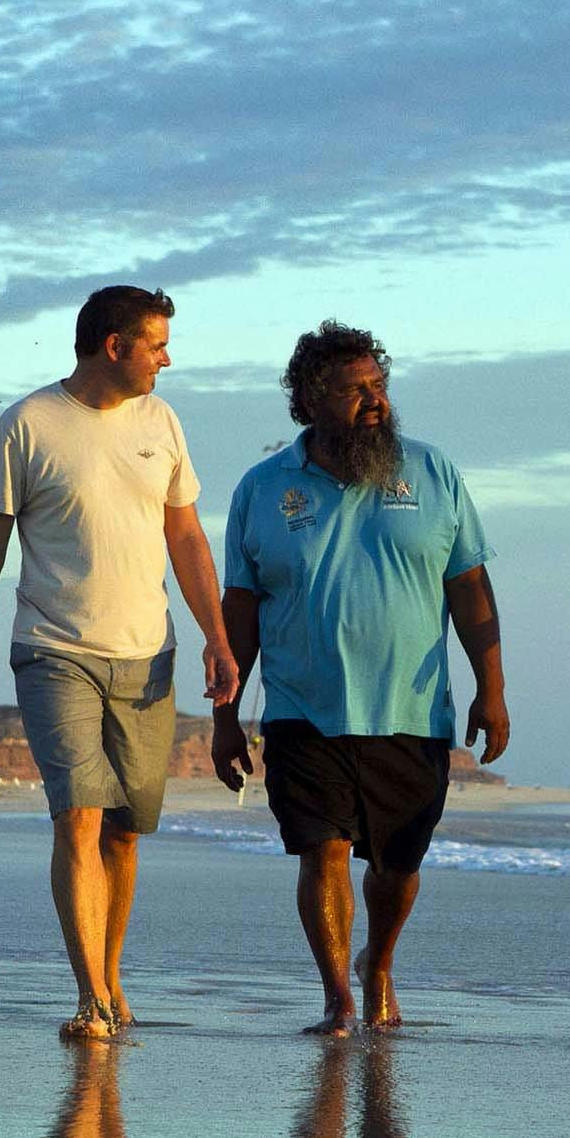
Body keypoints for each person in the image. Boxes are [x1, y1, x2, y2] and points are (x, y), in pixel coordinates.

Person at [0, 285, 237, 1040]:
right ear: (115, 346)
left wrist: (217, 635)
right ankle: (90, 1000)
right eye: (157, 345)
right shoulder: (27, 424)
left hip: (148, 654)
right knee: (77, 814)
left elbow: (188, 539)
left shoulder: (161, 421)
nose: (167, 359)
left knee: (123, 830)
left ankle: (110, 977)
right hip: (54, 650)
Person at [211, 320, 509, 1035]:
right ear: (310, 400)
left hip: (411, 710)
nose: (375, 401)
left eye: (380, 385)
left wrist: (491, 690)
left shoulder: (432, 473)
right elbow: (239, 612)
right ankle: (339, 995)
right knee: (324, 849)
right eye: (355, 390)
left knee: (398, 867)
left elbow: (470, 588)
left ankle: (378, 963)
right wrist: (225, 717)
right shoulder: (263, 489)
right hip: (302, 710)